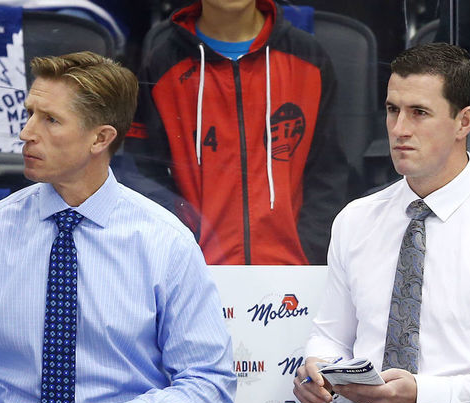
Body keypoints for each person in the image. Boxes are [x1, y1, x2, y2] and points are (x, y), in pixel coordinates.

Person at [0, 51, 236, 403]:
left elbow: (209, 385)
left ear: (100, 138)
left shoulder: (164, 240)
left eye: (50, 119)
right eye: (29, 113)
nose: (26, 132)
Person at [293, 43, 470, 403]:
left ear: (464, 121)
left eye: (419, 112)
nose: (399, 127)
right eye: (391, 109)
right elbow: (329, 338)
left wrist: (425, 394)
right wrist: (315, 371)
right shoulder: (356, 219)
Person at [126, 0, 348, 265]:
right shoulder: (162, 65)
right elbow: (144, 175)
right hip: (195, 272)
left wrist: (308, 252)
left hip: (292, 273)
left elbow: (328, 172)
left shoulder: (308, 58)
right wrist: (182, 249)